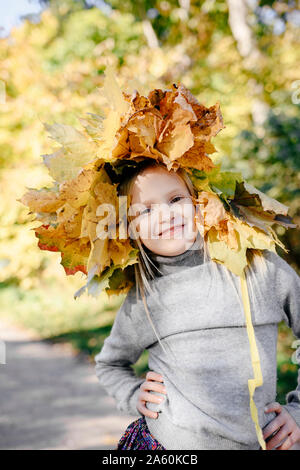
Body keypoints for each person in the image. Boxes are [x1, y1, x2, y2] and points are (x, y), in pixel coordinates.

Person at [94, 160, 300, 451]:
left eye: (176, 199)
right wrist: (132, 394)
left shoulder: (257, 269)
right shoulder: (146, 298)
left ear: (200, 202)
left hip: (263, 441)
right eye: (146, 210)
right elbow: (109, 364)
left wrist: (298, 412)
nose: (165, 215)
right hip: (170, 444)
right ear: (132, 229)